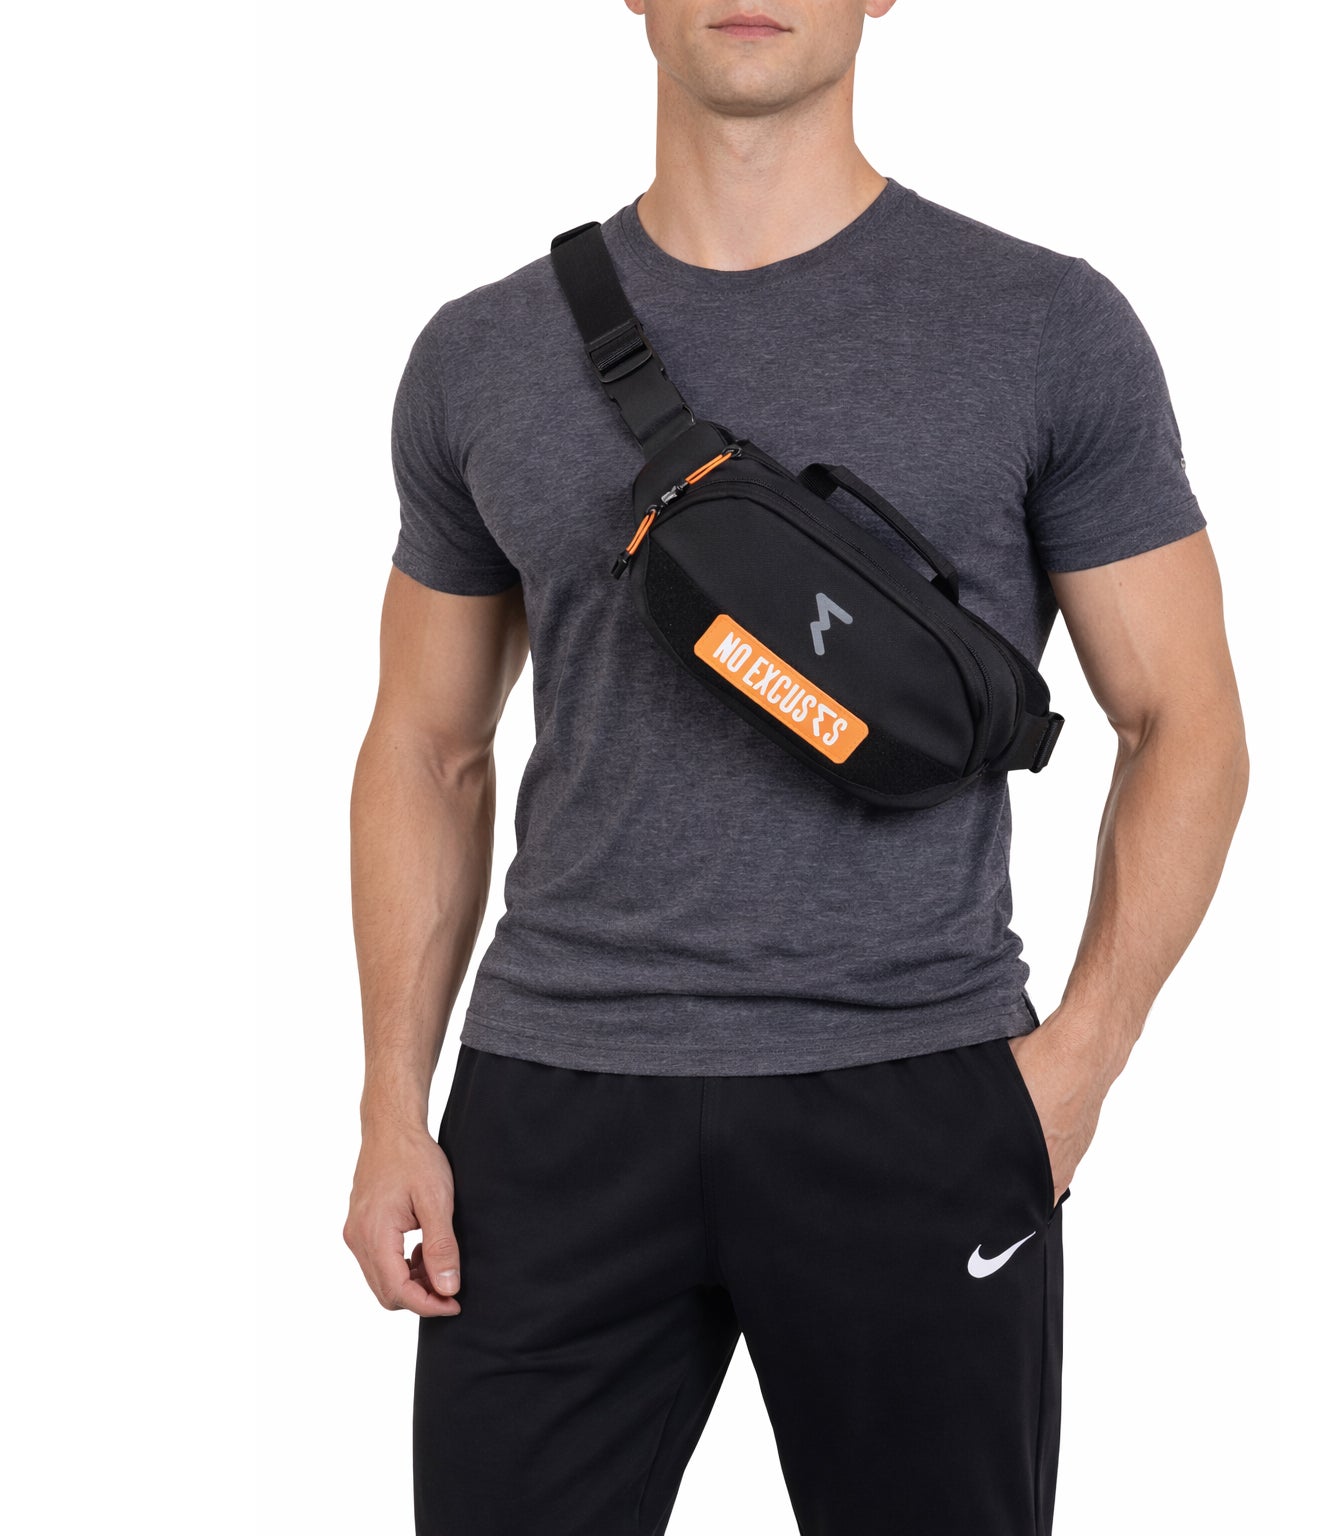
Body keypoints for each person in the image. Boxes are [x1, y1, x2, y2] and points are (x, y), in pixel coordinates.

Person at [344, 3, 1249, 1531]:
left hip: (915, 1089)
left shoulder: (1044, 326)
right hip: (555, 1101)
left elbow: (1189, 727)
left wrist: (1072, 1076)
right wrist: (390, 1108)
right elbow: (426, 748)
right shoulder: (481, 353)